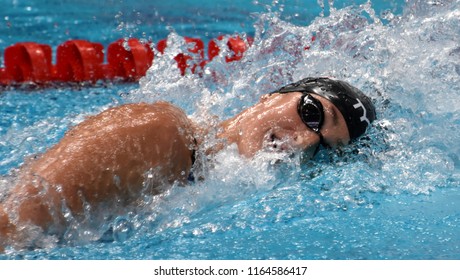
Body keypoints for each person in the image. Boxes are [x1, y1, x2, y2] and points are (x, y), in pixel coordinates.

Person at [0, 77, 376, 250]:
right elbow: (10, 225)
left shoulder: (207, 186)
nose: (306, 139)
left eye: (323, 148)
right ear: (270, 95)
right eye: (311, 113)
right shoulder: (158, 133)